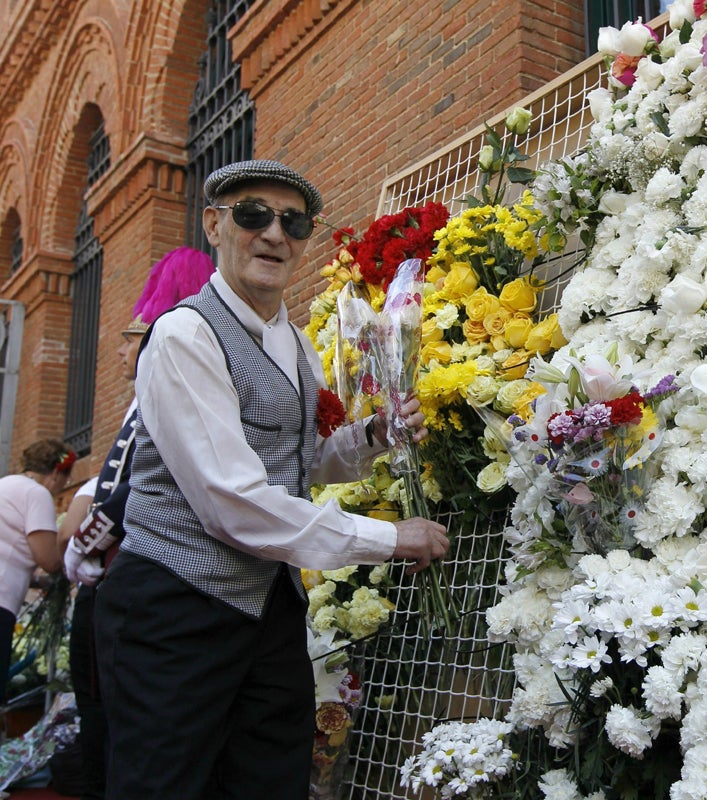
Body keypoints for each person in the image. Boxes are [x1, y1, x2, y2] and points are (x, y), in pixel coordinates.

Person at [92, 159, 449, 800]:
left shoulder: (294, 342)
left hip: (268, 612)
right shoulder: (182, 335)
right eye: (253, 215)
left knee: (271, 784)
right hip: (174, 608)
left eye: (293, 222)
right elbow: (234, 502)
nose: (273, 235)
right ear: (214, 225)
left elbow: (301, 463)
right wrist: (390, 538)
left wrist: (374, 436)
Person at [57, 246, 215, 800]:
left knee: (117, 724)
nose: (125, 346)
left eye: (134, 332)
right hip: (119, 564)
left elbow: (138, 482)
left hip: (132, 564)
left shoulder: (168, 369)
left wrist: (84, 544)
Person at [0, 439, 71, 700]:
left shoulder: (5, 484)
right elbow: (48, 559)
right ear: (55, 472)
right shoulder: (36, 493)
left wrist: (37, 582)